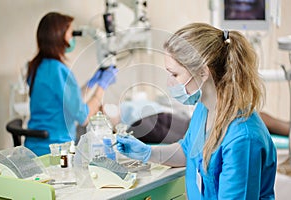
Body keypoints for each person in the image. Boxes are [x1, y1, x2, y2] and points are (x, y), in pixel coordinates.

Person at [116, 23, 277, 199]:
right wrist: (147, 152)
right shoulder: (204, 108)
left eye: (175, 74)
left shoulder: (242, 139)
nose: (170, 82)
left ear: (202, 72)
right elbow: (188, 151)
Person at [25, 12, 118, 156]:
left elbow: (66, 101)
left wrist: (92, 83)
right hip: (54, 149)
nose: (72, 38)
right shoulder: (58, 70)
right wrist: (102, 86)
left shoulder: (38, 66)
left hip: (34, 147)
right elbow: (83, 117)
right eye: (71, 33)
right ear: (59, 36)